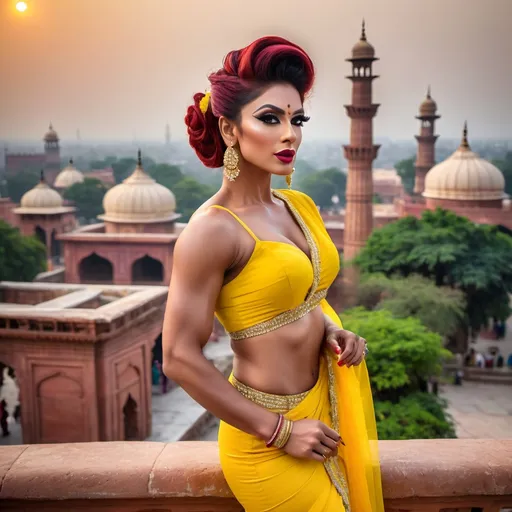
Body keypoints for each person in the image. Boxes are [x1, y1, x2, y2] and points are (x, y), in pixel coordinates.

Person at [162, 36, 383, 512]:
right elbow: (178, 356)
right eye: (270, 118)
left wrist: (333, 329)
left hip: (324, 417)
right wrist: (280, 432)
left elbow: (306, 299)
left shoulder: (297, 205)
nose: (290, 134)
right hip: (267, 438)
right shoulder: (212, 231)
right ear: (229, 128)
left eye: (296, 118)